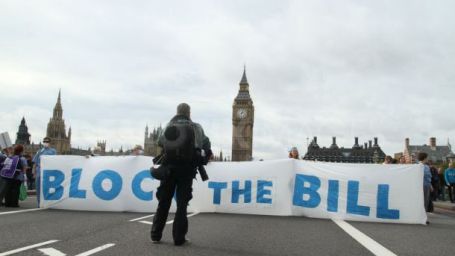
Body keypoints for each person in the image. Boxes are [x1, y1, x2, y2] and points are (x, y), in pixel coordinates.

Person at [151, 103, 212, 246]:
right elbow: (206, 144)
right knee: (182, 204)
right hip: (187, 170)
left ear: (177, 112)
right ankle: (179, 238)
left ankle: (155, 235)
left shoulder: (168, 125)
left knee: (164, 202)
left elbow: (160, 142)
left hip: (169, 169)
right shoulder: (196, 127)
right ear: (189, 113)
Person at [32, 137, 57, 205]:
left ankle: (47, 202)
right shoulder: (40, 151)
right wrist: (34, 172)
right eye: (44, 141)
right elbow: (35, 162)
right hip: (39, 171)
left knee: (47, 187)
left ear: (50, 143)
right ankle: (39, 203)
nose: (46, 143)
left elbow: (56, 161)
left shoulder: (53, 151)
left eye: (47, 142)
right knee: (38, 187)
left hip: (48, 172)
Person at [417, 152, 432, 220]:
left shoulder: (426, 166)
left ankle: (423, 216)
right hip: (421, 186)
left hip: (427, 185)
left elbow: (429, 177)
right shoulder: (418, 166)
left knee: (426, 201)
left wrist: (430, 185)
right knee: (421, 201)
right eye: (426, 158)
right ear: (424, 158)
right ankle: (421, 217)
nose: (427, 159)